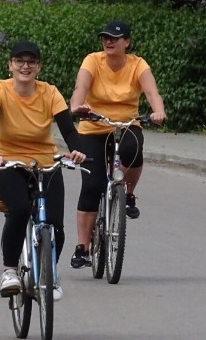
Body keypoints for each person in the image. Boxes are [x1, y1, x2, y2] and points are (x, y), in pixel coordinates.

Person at [0, 41, 86, 300]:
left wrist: (77, 150)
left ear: (38, 66)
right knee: (18, 210)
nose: (25, 66)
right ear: (10, 65)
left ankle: (49, 273)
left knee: (56, 226)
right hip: (8, 162)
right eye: (19, 61)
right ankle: (9, 271)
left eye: (31, 62)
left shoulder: (49, 93)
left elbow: (69, 130)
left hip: (45, 162)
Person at [68, 20, 167, 268]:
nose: (109, 42)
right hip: (94, 125)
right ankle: (83, 248)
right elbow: (81, 86)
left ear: (127, 42)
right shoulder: (92, 60)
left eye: (115, 37)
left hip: (127, 124)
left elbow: (152, 93)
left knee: (133, 151)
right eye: (105, 38)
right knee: (91, 184)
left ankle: (129, 194)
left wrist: (157, 112)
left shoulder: (138, 64)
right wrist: (77, 107)